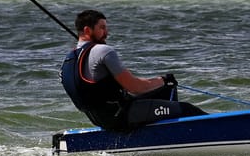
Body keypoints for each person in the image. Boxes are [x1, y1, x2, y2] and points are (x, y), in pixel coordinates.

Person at [60, 9, 206, 130]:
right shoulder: (103, 51)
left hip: (101, 120)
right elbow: (135, 87)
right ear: (87, 30)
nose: (107, 33)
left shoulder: (68, 60)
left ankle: (167, 134)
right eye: (102, 28)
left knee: (166, 90)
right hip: (122, 115)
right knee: (187, 109)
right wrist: (162, 79)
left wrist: (163, 83)